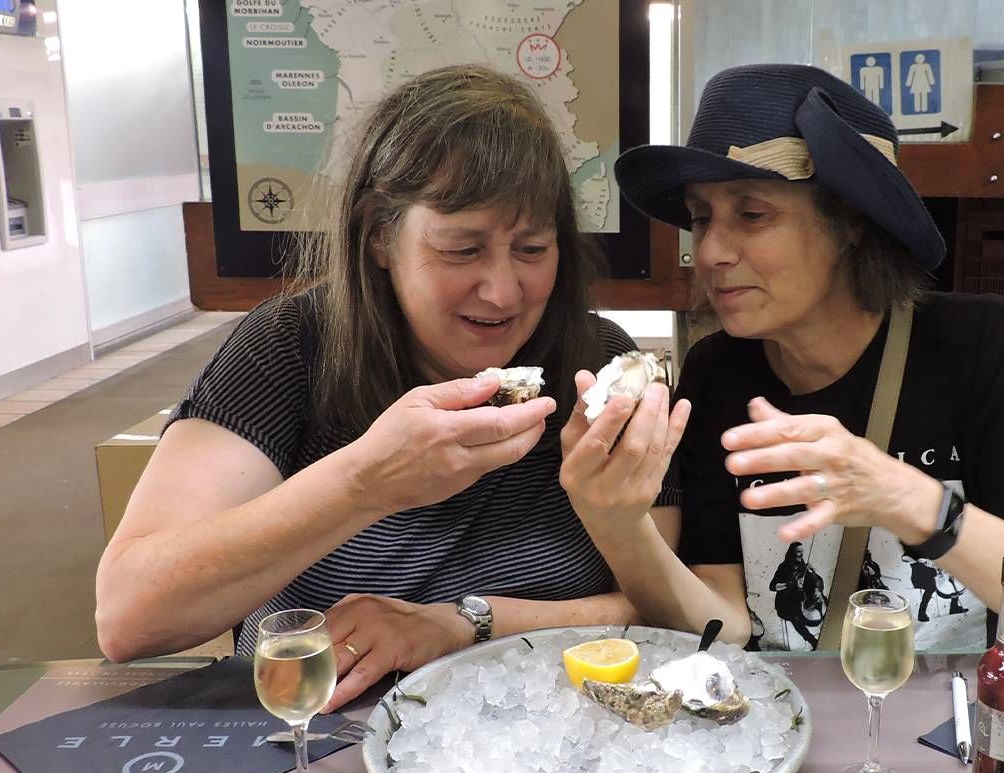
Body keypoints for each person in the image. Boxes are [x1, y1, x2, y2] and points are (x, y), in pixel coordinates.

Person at [94, 65, 677, 709]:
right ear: (379, 234)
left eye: (532, 248)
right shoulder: (291, 347)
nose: (503, 290)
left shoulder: (596, 362)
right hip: (317, 733)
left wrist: (463, 623)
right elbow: (129, 616)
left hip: (543, 731)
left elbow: (659, 602)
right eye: (462, 250)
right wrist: (362, 484)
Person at [560, 63, 1004, 652]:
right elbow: (726, 623)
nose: (712, 251)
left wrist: (900, 493)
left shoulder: (985, 345)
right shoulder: (717, 371)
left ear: (849, 223)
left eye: (752, 214)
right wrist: (616, 524)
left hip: (954, 719)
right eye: (701, 217)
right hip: (788, 718)